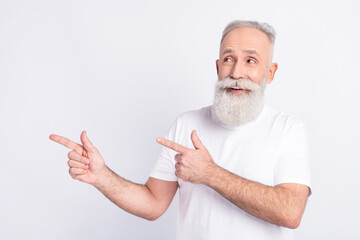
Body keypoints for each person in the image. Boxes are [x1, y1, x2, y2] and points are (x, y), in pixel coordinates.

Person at [50, 20, 311, 240]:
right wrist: (101, 176)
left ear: (270, 72)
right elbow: (153, 203)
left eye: (251, 60)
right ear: (218, 67)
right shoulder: (187, 124)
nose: (236, 71)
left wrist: (209, 173)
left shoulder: (288, 130)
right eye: (229, 59)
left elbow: (290, 212)